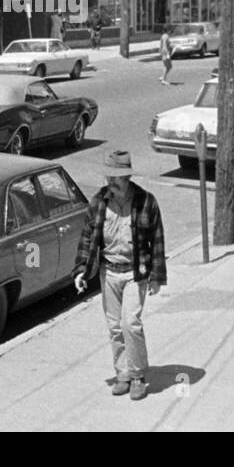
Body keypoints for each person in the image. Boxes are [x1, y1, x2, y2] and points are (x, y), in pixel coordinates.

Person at [73, 149, 166, 401]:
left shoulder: (146, 202)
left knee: (130, 323)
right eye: (109, 177)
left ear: (127, 178)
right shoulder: (98, 202)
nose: (110, 183)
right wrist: (82, 270)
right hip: (109, 272)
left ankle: (137, 376)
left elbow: (157, 239)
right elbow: (87, 238)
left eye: (116, 178)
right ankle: (122, 373)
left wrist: (157, 276)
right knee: (114, 326)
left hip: (137, 273)